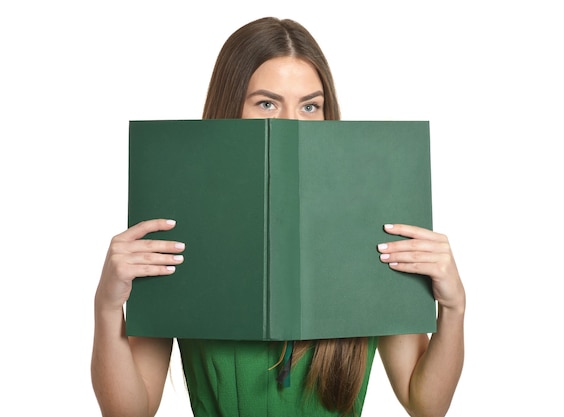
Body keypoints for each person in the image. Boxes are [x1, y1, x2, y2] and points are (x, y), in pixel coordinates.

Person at [91, 16, 465, 417]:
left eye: (309, 106)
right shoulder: (179, 220)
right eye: (267, 103)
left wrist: (454, 307)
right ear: (230, 107)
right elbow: (129, 412)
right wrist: (107, 306)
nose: (289, 123)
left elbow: (426, 404)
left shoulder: (373, 217)